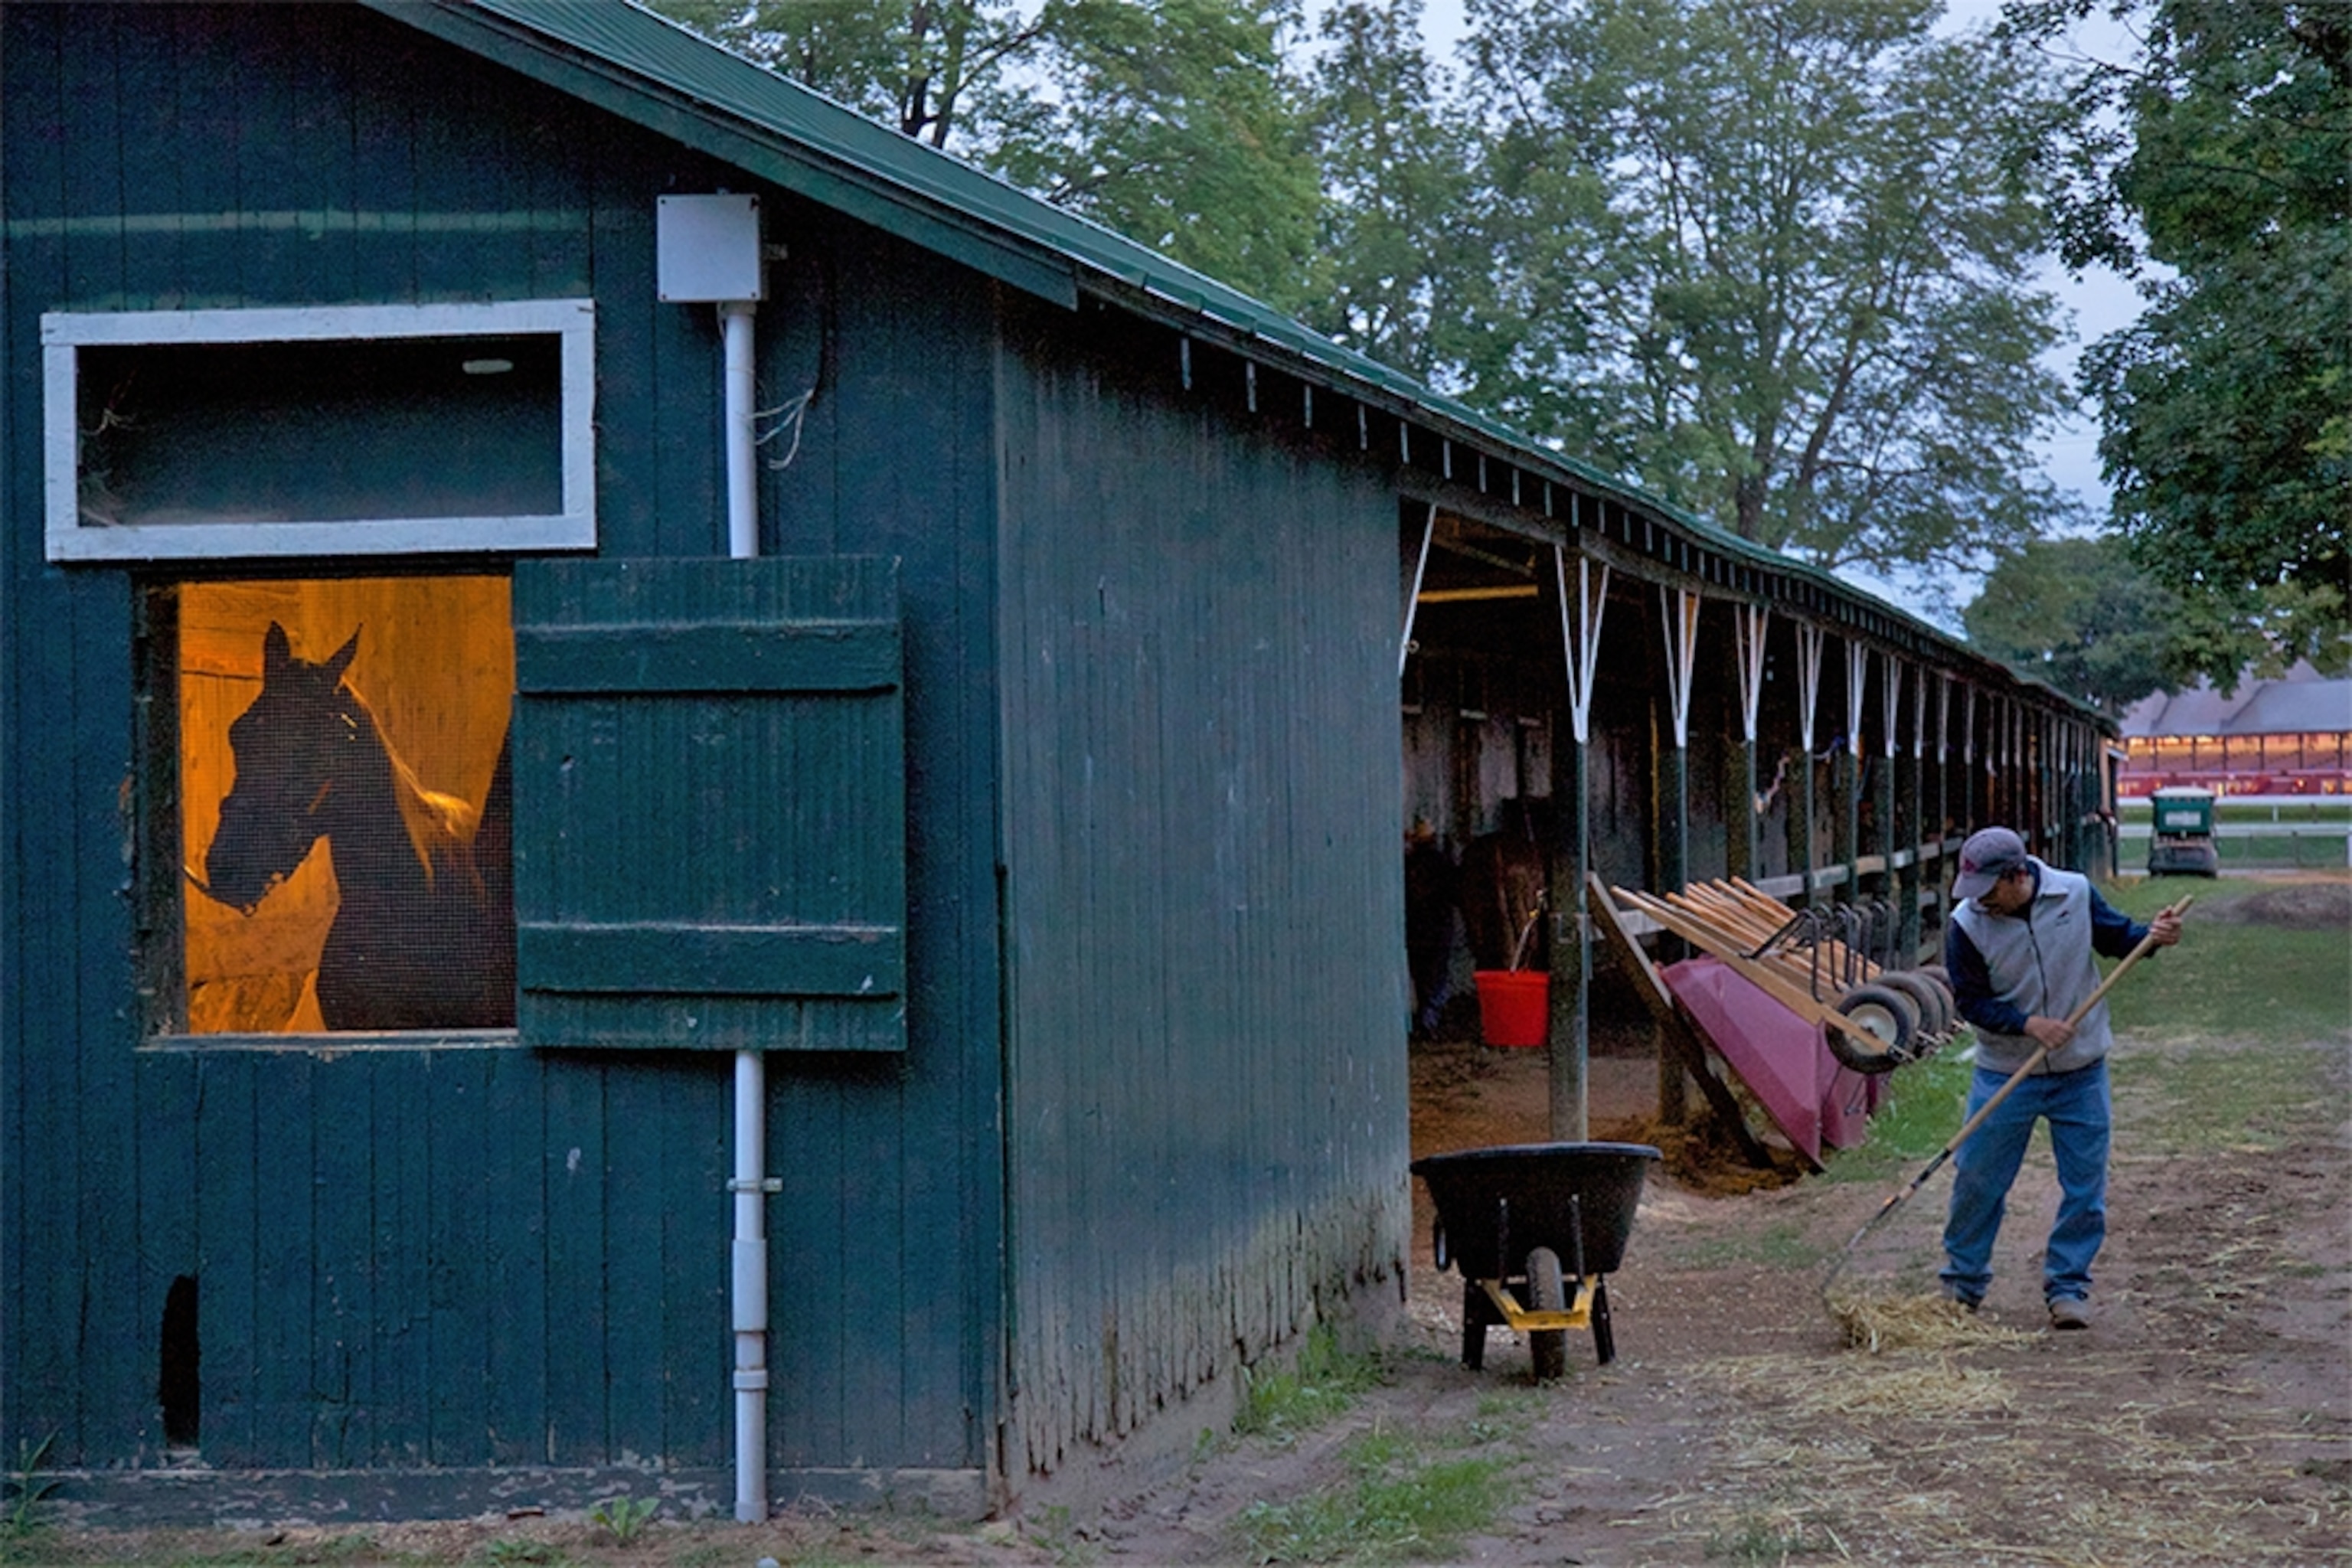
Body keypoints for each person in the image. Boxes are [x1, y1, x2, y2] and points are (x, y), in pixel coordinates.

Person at [1939, 825, 2183, 1328]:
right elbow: (1970, 1001)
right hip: (2006, 1072)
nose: (1980, 901)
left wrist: (2153, 938)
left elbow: (2121, 939)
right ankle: (1962, 1286)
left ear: (2016, 876)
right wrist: (2028, 1024)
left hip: (2081, 1071)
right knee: (1978, 1180)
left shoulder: (2073, 893)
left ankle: (2068, 1287)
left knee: (2084, 1188)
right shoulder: (1966, 924)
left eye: (1988, 890)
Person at [1403, 818, 1458, 1037]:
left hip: (1415, 925)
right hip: (1439, 924)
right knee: (1437, 971)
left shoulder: (1408, 864)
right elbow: (1454, 892)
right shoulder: (1443, 862)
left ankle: (1425, 1015)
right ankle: (1430, 1017)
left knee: (1420, 971)